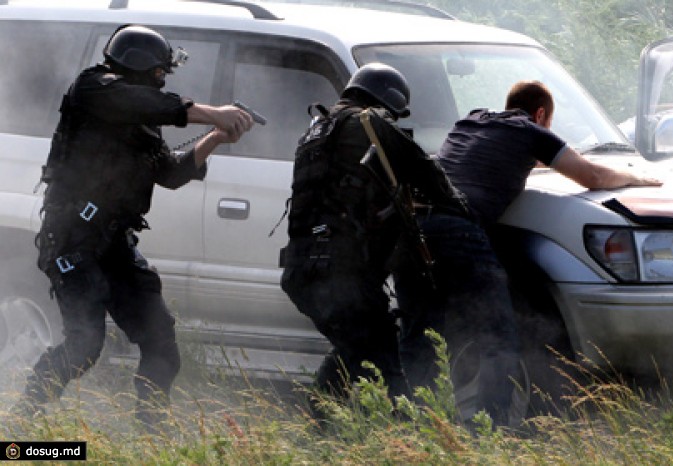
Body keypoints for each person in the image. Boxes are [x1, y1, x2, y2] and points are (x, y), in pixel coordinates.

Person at [14, 24, 255, 427]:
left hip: (114, 245)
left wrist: (214, 135)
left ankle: (150, 430)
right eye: (161, 72)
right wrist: (213, 110)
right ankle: (20, 426)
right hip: (73, 240)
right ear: (143, 68)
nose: (164, 79)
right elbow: (137, 100)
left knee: (161, 341)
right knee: (85, 345)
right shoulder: (93, 88)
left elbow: (171, 172)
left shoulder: (144, 118)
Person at [393, 80, 662, 427]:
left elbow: (484, 161)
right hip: (459, 229)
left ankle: (410, 424)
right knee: (499, 336)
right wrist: (637, 178)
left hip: (412, 230)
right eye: (549, 122)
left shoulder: (471, 122)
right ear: (540, 115)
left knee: (419, 334)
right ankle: (490, 428)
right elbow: (592, 175)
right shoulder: (530, 131)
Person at [280, 63, 468, 413]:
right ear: (386, 102)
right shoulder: (369, 124)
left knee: (353, 348)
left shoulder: (315, 132)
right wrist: (465, 213)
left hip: (301, 272)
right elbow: (429, 175)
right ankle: (401, 441)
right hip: (341, 274)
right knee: (385, 367)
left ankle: (316, 427)